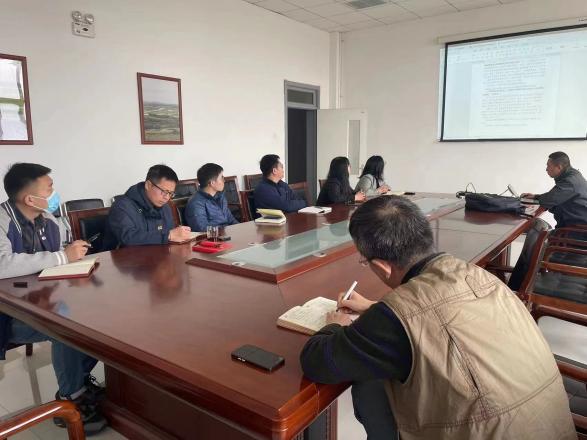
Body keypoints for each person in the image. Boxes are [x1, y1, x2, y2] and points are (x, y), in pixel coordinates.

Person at [300, 196, 574, 440]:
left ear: (382, 266)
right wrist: (375, 308)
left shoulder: (396, 316)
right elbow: (440, 315)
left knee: (370, 384)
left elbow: (318, 362)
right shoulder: (478, 275)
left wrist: (334, 324)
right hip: (551, 426)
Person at [0, 163, 107, 435]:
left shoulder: (49, 218)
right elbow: (2, 265)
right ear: (29, 198)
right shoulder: (2, 221)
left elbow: (61, 253)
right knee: (63, 329)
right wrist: (61, 257)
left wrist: (72, 255)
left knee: (98, 318)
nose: (54, 193)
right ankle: (71, 398)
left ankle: (78, 380)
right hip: (9, 314)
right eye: (49, 188)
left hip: (45, 299)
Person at [509, 151, 587, 289]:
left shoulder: (569, 182)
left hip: (576, 234)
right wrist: (536, 197)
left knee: (533, 247)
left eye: (548, 166)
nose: (546, 169)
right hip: (573, 229)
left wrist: (538, 200)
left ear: (559, 167)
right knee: (536, 237)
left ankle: (517, 288)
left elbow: (550, 200)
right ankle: (515, 286)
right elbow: (555, 197)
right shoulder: (573, 175)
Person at [102, 164, 192, 250]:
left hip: (157, 256)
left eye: (170, 193)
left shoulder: (165, 207)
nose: (167, 197)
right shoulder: (121, 206)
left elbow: (170, 234)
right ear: (148, 185)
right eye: (164, 191)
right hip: (123, 258)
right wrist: (168, 236)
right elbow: (128, 238)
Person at [184, 163, 238, 232]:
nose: (224, 180)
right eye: (221, 177)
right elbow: (202, 229)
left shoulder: (220, 197)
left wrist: (241, 229)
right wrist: (226, 231)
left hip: (227, 233)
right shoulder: (196, 203)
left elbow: (231, 220)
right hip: (216, 237)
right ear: (212, 183)